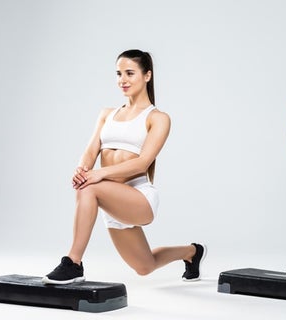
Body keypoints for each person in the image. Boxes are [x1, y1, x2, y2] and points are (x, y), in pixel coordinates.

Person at [42, 49, 206, 284]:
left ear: (147, 75)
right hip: (111, 201)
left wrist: (97, 175)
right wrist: (82, 169)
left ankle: (73, 263)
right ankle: (192, 252)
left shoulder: (157, 118)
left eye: (130, 73)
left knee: (88, 188)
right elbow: (91, 151)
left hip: (139, 197)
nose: (123, 80)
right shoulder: (107, 114)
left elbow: (142, 162)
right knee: (145, 266)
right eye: (119, 73)